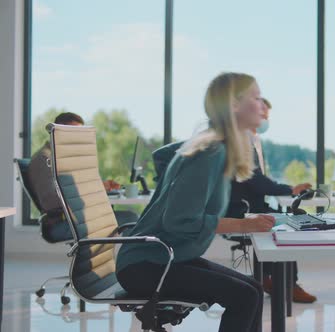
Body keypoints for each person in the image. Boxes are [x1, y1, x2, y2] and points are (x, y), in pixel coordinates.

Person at [116, 72, 276, 332]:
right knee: (244, 296)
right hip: (146, 264)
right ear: (234, 105)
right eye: (256, 98)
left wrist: (249, 221)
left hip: (166, 257)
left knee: (253, 289)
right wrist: (243, 225)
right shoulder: (210, 151)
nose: (262, 106)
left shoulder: (217, 147)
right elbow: (180, 220)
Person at [225, 98, 316, 303]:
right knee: (286, 226)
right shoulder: (241, 139)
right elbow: (255, 180)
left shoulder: (251, 139)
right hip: (241, 208)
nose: (264, 117)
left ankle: (270, 279)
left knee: (283, 218)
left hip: (250, 204)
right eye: (261, 113)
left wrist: (288, 189)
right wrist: (290, 189)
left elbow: (259, 179)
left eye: (266, 114)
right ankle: (288, 284)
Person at [27, 112, 137, 242]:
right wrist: (90, 192)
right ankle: (131, 261)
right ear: (57, 132)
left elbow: (72, 187)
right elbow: (51, 201)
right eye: (73, 132)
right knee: (130, 219)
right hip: (60, 224)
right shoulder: (44, 159)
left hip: (77, 218)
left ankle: (121, 260)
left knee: (129, 217)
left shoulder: (63, 156)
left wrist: (100, 186)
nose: (77, 138)